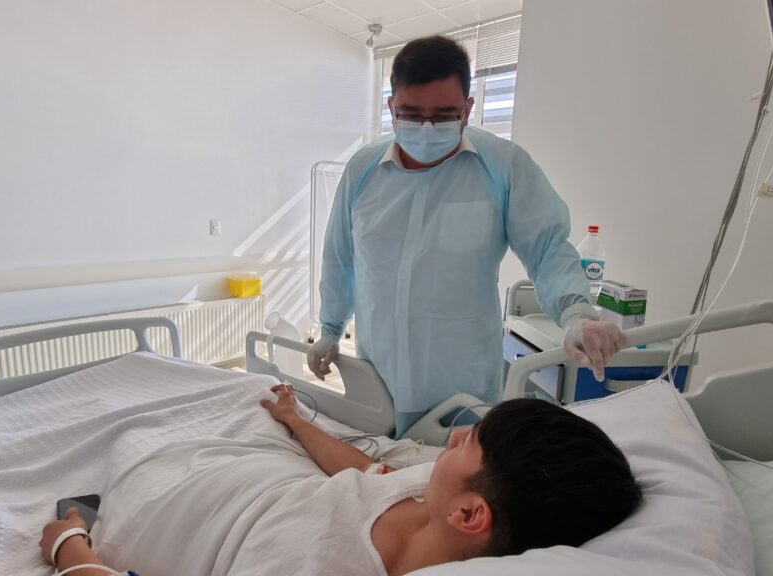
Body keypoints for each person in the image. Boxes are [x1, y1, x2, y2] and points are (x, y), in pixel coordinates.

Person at [309, 35, 625, 436]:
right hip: (379, 372)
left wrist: (576, 314)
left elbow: (546, 249)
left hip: (461, 382)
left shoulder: (502, 167)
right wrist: (330, 329)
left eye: (443, 115)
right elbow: (340, 256)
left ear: (468, 109)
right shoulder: (364, 169)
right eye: (410, 114)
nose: (426, 128)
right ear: (391, 108)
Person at [40, 384, 642, 576]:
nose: (453, 438)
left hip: (175, 507)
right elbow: (365, 471)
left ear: (470, 515)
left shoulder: (318, 565)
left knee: (130, 444)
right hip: (246, 474)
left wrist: (69, 546)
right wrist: (295, 420)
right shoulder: (432, 497)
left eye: (470, 442)